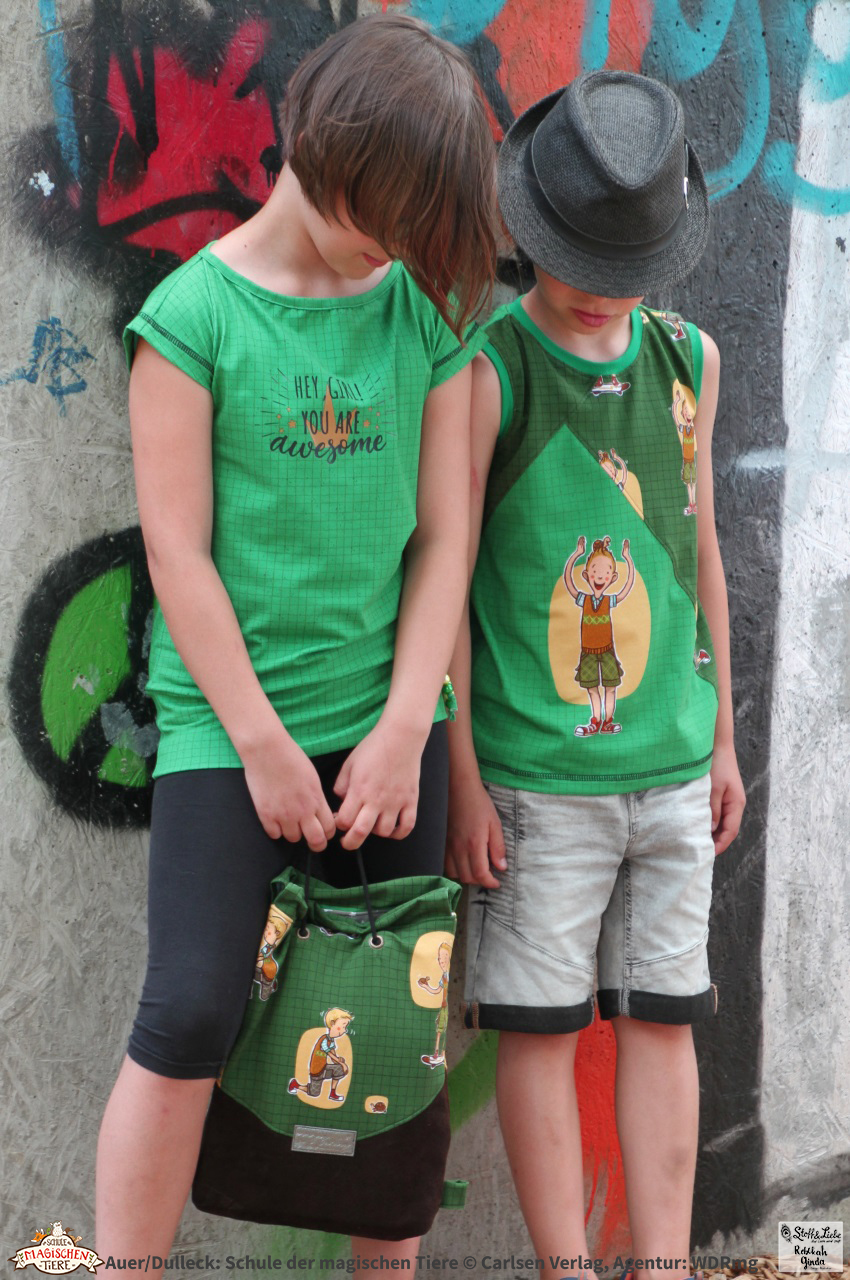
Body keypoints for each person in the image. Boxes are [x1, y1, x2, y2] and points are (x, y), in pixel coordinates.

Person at [96, 13, 497, 1269]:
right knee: (189, 1014)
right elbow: (179, 556)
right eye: (384, 212)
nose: (395, 245)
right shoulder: (191, 318)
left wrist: (403, 724)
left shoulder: (422, 311)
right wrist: (263, 746)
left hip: (393, 732)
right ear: (323, 148)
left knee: (394, 1033)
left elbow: (445, 538)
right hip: (230, 731)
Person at [445, 71, 746, 1280]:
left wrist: (722, 738)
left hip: (672, 770)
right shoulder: (491, 371)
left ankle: (663, 1265)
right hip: (534, 781)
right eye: (575, 255)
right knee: (538, 1023)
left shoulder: (689, 361)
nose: (595, 286)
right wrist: (463, 777)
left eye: (622, 264)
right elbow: (445, 582)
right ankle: (564, 1267)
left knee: (664, 1018)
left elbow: (701, 548)